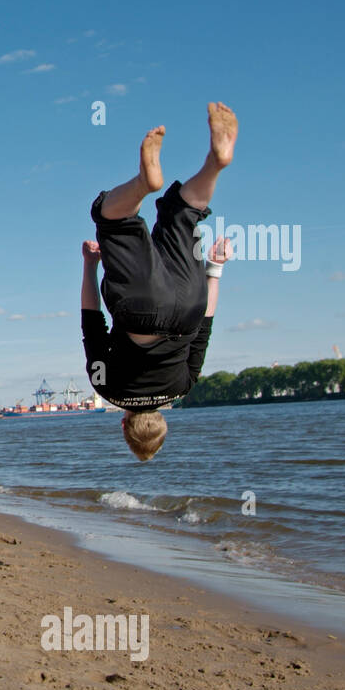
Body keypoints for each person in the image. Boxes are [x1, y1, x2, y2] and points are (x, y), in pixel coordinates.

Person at [81, 102, 238, 461]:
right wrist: (90, 266)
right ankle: (142, 182)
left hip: (188, 307)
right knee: (110, 217)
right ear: (124, 426)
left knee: (181, 213)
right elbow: (92, 322)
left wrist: (215, 267)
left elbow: (207, 326)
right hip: (139, 308)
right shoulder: (108, 388)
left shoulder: (182, 387)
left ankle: (216, 163)